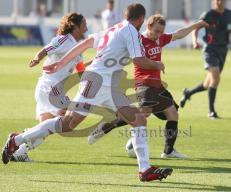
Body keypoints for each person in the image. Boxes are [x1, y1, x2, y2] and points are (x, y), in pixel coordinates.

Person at [2, 3, 173, 182]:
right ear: (141, 19)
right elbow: (139, 60)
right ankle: (17, 140)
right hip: (96, 83)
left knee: (138, 119)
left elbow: (87, 43)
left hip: (109, 87)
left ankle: (144, 170)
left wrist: (61, 63)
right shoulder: (130, 31)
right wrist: (157, 64)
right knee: (68, 124)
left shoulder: (114, 28)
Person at [87, 14, 208, 159]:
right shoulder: (138, 40)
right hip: (144, 84)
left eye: (161, 32)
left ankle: (168, 151)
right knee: (141, 115)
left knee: (172, 114)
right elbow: (114, 51)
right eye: (156, 31)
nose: (158, 35)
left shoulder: (160, 39)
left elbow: (178, 34)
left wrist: (196, 25)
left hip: (157, 85)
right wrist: (91, 62)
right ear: (148, 27)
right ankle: (103, 129)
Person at [10, 13, 88, 162]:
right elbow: (47, 49)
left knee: (46, 128)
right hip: (50, 88)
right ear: (75, 26)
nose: (87, 26)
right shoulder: (64, 40)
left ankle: (19, 151)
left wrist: (97, 64)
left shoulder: (78, 48)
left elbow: (81, 72)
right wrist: (37, 58)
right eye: (84, 24)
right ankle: (18, 139)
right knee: (66, 120)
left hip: (50, 89)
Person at [180, 0, 231, 119]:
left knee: (209, 83)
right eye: (217, 0)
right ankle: (211, 111)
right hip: (210, 50)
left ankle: (188, 93)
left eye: (221, 0)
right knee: (216, 78)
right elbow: (196, 28)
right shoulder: (208, 15)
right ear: (214, 1)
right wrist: (194, 41)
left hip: (223, 51)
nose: (219, 2)